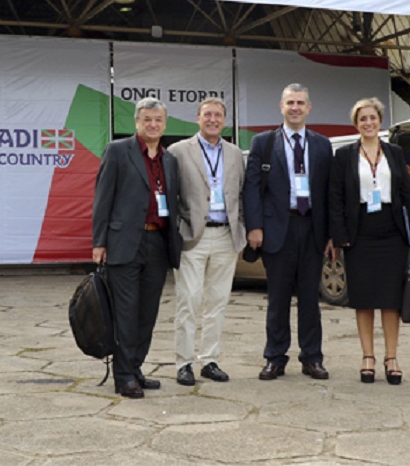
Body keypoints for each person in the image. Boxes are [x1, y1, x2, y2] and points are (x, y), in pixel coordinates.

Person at [91, 98, 183, 399]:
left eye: (158, 120)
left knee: (148, 312)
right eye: (147, 119)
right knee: (126, 313)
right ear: (137, 122)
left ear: (165, 124)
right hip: (124, 243)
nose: (152, 124)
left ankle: (136, 366)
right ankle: (124, 376)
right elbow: (102, 198)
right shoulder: (118, 151)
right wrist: (99, 242)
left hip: (157, 242)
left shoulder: (169, 159)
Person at [243, 84, 334, 381]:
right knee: (278, 298)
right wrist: (255, 227)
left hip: (312, 229)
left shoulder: (322, 145)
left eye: (300, 102)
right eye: (290, 102)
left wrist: (332, 232)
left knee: (310, 298)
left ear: (309, 107)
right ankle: (275, 357)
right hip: (276, 229)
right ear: (280, 107)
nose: (295, 107)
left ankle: (312, 358)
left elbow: (330, 192)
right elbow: (252, 189)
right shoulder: (263, 143)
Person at [329, 97, 410, 385]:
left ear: (380, 121)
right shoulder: (345, 155)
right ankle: (367, 357)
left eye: (372, 117)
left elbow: (405, 193)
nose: (368, 123)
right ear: (356, 123)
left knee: (391, 299)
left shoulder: (395, 152)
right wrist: (339, 236)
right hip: (359, 232)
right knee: (363, 298)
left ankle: (391, 357)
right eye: (362, 118)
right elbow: (336, 197)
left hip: (392, 232)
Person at [169, 98, 246, 386]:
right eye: (207, 115)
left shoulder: (236, 153)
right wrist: (178, 228)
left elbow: (242, 192)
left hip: (226, 235)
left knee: (218, 302)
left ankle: (210, 360)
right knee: (188, 301)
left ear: (224, 119)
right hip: (193, 237)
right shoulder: (178, 151)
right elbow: (171, 194)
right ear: (198, 118)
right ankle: (184, 362)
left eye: (218, 115)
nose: (213, 119)